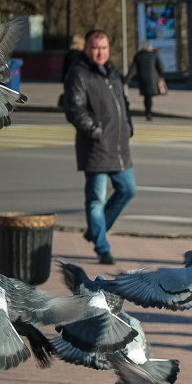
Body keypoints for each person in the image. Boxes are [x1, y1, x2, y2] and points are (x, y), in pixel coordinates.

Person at [63, 29, 136, 266]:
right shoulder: (79, 74)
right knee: (96, 199)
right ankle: (102, 247)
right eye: (95, 48)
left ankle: (96, 230)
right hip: (95, 146)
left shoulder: (112, 72)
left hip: (118, 145)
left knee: (128, 190)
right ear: (86, 49)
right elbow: (74, 108)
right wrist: (94, 131)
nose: (100, 52)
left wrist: (128, 125)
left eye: (104, 48)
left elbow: (123, 102)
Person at [126, 41, 166, 121]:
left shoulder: (138, 56)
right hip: (152, 78)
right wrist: (161, 76)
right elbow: (160, 66)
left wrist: (126, 81)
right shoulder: (154, 55)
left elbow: (132, 70)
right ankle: (149, 113)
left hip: (142, 79)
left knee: (146, 96)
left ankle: (148, 112)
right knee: (149, 96)